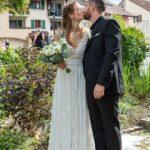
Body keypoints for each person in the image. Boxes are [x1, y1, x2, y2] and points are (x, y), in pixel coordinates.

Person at [48, 2, 95, 150]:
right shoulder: (60, 34)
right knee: (65, 111)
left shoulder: (88, 33)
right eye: (78, 8)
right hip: (64, 78)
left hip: (81, 77)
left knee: (81, 109)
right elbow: (51, 55)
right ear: (70, 14)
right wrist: (57, 62)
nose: (82, 10)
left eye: (82, 8)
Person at [83, 0, 124, 150]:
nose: (84, 9)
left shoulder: (109, 24)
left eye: (86, 5)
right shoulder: (91, 30)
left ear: (92, 7)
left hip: (105, 88)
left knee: (110, 129)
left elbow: (111, 54)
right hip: (91, 90)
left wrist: (101, 83)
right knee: (97, 131)